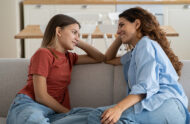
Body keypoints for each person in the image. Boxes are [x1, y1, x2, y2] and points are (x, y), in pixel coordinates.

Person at [88, 7, 189, 124]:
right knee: (106, 118)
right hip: (170, 110)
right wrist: (121, 36)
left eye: (121, 25)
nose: (117, 31)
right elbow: (108, 59)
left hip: (164, 104)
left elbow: (145, 86)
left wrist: (118, 108)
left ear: (137, 24)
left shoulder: (145, 44)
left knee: (99, 116)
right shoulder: (136, 52)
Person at [6, 14, 104, 124]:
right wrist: (68, 112)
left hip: (54, 112)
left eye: (78, 34)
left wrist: (78, 41)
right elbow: (41, 97)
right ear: (59, 31)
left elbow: (100, 57)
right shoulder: (43, 53)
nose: (77, 37)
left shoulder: (69, 57)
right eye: (74, 32)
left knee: (97, 115)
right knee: (35, 120)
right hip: (32, 105)